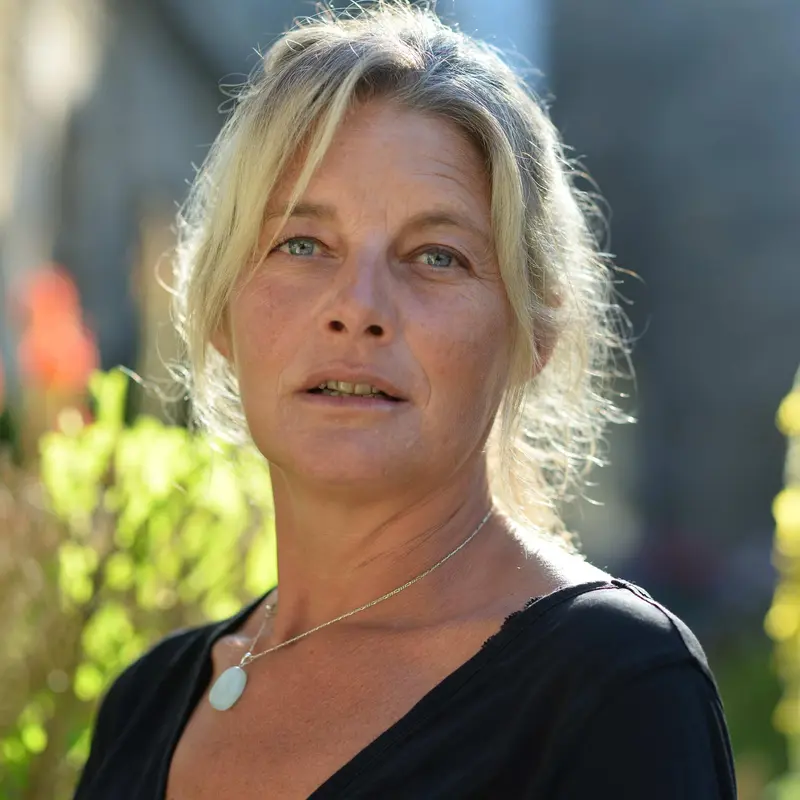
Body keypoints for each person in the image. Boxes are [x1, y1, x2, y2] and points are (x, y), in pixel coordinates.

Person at [74, 3, 737, 798]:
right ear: (221, 310)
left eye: (436, 256)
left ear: (533, 333)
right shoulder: (144, 706)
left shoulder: (613, 684)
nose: (357, 307)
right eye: (302, 244)